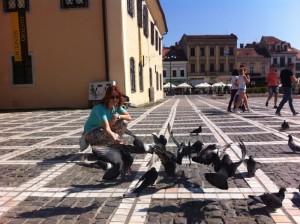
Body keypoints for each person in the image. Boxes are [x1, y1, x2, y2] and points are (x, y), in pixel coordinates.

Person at [79, 85, 132, 151]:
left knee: (123, 122)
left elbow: (129, 117)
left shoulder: (116, 107)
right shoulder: (100, 109)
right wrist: (115, 138)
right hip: (90, 132)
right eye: (112, 97)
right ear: (107, 97)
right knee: (109, 134)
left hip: (102, 129)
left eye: (117, 97)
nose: (115, 99)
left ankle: (111, 144)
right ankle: (97, 146)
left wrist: (117, 116)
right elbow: (107, 128)